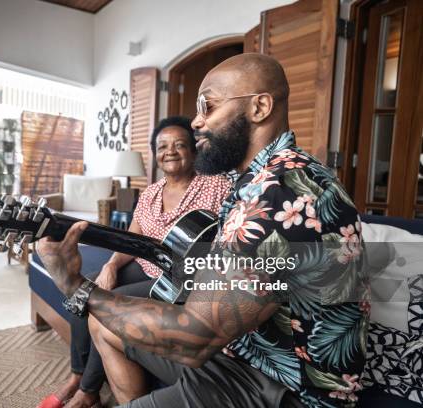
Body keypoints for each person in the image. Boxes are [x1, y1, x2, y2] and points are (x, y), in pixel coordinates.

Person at [37, 53, 368, 408]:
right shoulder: (257, 181)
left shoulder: (282, 194)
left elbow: (192, 337)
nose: (195, 122)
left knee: (112, 314)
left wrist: (74, 286)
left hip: (288, 386)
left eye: (207, 105)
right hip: (243, 351)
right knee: (104, 326)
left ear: (259, 107)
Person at [37, 116, 231, 408]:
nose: (171, 151)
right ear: (155, 154)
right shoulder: (151, 192)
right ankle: (77, 375)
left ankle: (87, 392)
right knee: (84, 286)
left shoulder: (216, 186)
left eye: (180, 145)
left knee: (102, 302)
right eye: (163, 146)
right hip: (147, 266)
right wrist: (111, 265)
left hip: (181, 281)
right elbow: (133, 239)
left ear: (193, 150)